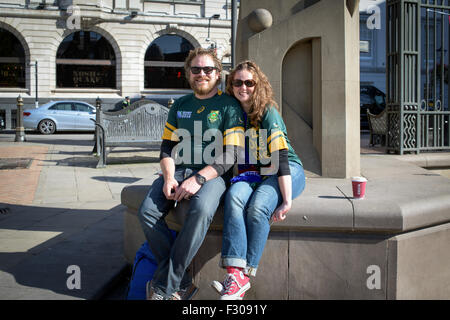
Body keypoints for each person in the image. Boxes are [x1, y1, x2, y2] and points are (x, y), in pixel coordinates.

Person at [138, 48, 244, 300]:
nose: (201, 74)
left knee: (201, 210)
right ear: (188, 73)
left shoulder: (230, 106)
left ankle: (165, 287)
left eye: (208, 69)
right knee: (147, 212)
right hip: (179, 170)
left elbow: (232, 154)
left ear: (218, 74)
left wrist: (199, 179)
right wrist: (168, 177)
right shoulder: (181, 105)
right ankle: (182, 282)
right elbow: (166, 148)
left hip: (213, 175)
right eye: (196, 69)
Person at [211, 60, 306, 300]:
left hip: (287, 170)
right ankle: (234, 273)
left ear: (258, 85)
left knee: (259, 207)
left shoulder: (267, 111)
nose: (243, 87)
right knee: (234, 198)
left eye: (249, 83)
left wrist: (286, 201)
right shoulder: (232, 113)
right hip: (255, 173)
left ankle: (245, 275)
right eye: (238, 82)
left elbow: (281, 158)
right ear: (231, 85)